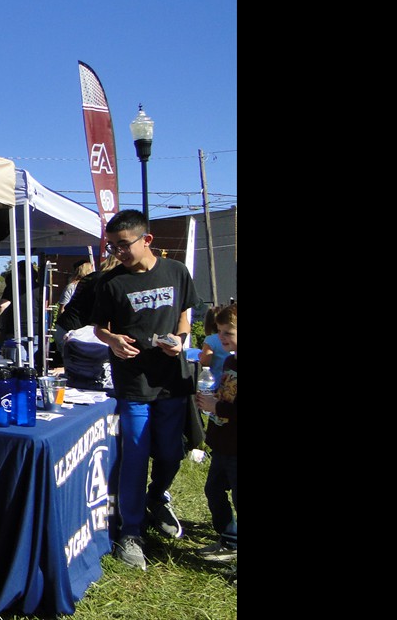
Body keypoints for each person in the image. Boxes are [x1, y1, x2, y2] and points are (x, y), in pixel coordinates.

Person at [91, 209, 201, 571]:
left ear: (146, 240)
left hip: (171, 379)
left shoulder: (176, 272)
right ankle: (131, 532)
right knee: (135, 456)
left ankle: (157, 498)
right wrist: (112, 340)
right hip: (133, 380)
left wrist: (181, 341)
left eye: (123, 245)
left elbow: (185, 312)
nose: (117, 252)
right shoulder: (111, 283)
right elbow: (99, 328)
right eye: (113, 246)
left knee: (171, 452)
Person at [194, 303, 237, 564]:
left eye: (228, 333)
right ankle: (229, 539)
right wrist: (214, 399)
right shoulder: (231, 360)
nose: (221, 338)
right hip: (223, 442)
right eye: (220, 332)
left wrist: (216, 405)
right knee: (213, 489)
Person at [0, 258, 45, 364]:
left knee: (19, 363)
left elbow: (2, 305)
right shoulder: (39, 287)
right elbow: (44, 307)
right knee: (34, 361)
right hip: (35, 328)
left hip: (16, 328)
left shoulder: (13, 287)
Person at [197, 306, 232, 379]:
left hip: (215, 380)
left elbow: (205, 362)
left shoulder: (211, 340)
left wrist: (201, 356)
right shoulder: (231, 337)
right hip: (230, 379)